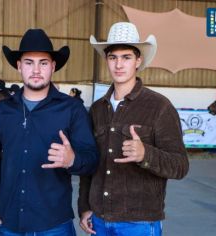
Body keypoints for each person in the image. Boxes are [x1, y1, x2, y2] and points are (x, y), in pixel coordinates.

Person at [0, 28, 99, 236]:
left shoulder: (72, 109)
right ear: (18, 66)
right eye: (28, 62)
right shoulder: (0, 112)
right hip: (10, 224)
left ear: (53, 67)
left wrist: (72, 159)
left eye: (43, 63)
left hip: (55, 225)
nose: (36, 70)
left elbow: (92, 160)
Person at [78, 22, 189, 236]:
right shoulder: (97, 110)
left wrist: (145, 154)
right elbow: (89, 166)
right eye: (113, 57)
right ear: (107, 60)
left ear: (138, 60)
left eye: (126, 57)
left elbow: (180, 165)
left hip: (140, 223)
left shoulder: (159, 107)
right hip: (98, 221)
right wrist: (84, 207)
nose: (119, 64)